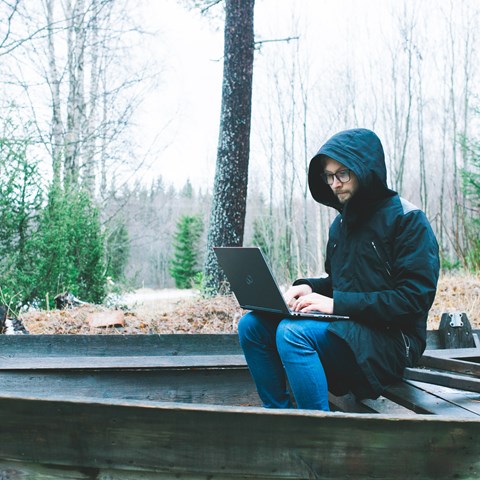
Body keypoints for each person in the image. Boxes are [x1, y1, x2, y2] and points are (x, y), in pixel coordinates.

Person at [238, 128, 440, 411]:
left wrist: (335, 304)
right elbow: (340, 283)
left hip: (395, 342)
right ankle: (279, 418)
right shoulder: (341, 225)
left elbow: (413, 299)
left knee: (293, 333)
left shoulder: (407, 221)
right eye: (329, 176)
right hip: (351, 328)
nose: (335, 183)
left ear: (365, 170)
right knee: (252, 325)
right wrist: (308, 287)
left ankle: (319, 435)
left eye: (343, 173)